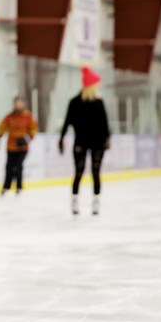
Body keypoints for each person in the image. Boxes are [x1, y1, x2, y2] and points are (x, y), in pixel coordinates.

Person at [59, 66, 111, 216]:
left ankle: (96, 202)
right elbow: (67, 122)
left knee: (95, 172)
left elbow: (104, 123)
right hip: (81, 143)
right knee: (79, 172)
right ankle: (75, 200)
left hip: (97, 143)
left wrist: (107, 138)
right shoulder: (75, 102)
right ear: (91, 84)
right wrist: (61, 138)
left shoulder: (98, 102)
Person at [0, 96, 38, 195]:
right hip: (11, 146)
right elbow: (2, 127)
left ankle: (19, 186)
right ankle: (6, 186)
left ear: (23, 104)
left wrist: (26, 139)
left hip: (22, 147)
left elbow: (34, 129)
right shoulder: (9, 116)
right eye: (16, 103)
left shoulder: (27, 116)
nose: (18, 105)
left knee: (18, 165)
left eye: (20, 103)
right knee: (9, 166)